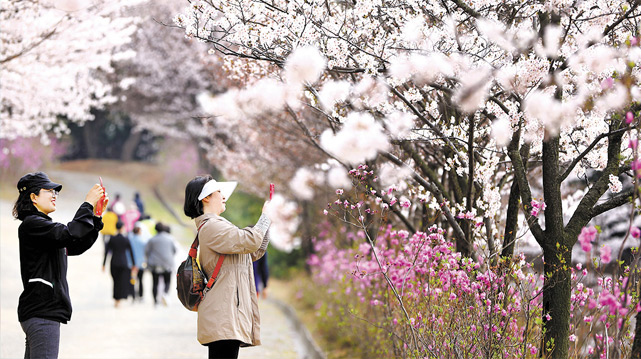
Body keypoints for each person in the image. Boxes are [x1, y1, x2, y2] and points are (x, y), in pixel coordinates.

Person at [14, 171, 106, 359]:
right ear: (33, 197)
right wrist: (87, 203)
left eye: (55, 192)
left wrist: (96, 217)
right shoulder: (32, 224)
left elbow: (76, 244)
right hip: (42, 311)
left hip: (42, 311)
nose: (54, 195)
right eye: (49, 191)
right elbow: (69, 233)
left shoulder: (43, 227)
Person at [183, 175, 271, 359]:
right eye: (219, 192)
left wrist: (268, 222)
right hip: (222, 313)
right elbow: (250, 241)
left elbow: (251, 252)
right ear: (205, 197)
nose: (224, 196)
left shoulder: (216, 225)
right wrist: (265, 217)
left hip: (226, 312)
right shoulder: (211, 226)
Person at [103, 221, 136, 308]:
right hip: (123, 262)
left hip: (114, 262)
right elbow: (131, 252)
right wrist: (134, 264)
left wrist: (103, 264)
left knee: (115, 281)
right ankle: (119, 299)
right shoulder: (126, 239)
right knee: (122, 281)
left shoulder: (112, 238)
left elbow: (106, 252)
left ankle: (116, 299)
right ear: (122, 228)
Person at [145, 222, 177, 306]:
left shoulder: (152, 239)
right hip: (167, 263)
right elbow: (174, 250)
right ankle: (165, 294)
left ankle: (155, 301)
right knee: (167, 281)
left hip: (155, 264)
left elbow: (147, 252)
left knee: (155, 282)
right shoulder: (170, 238)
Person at [129, 222, 150, 301]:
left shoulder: (130, 240)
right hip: (141, 263)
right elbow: (146, 253)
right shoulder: (143, 242)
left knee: (132, 279)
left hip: (132, 264)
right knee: (141, 280)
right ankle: (141, 296)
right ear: (139, 232)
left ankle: (133, 295)